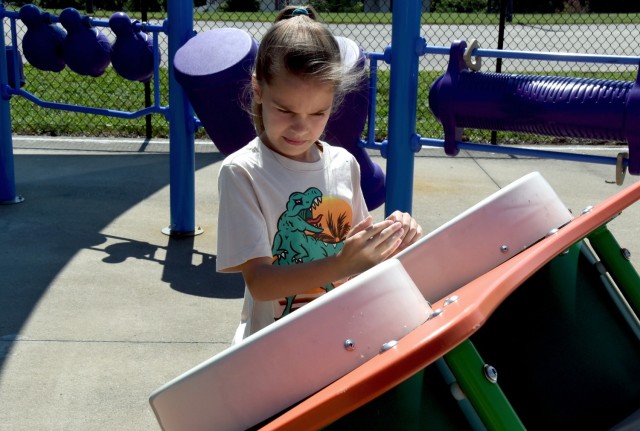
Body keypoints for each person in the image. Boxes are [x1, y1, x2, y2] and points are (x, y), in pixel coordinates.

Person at [216, 5, 423, 344]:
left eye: (318, 113)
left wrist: (393, 239)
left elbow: (360, 256)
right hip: (276, 348)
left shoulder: (343, 164)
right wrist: (342, 264)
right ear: (258, 89)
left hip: (343, 338)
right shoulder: (243, 172)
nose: (301, 127)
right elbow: (260, 282)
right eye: (285, 110)